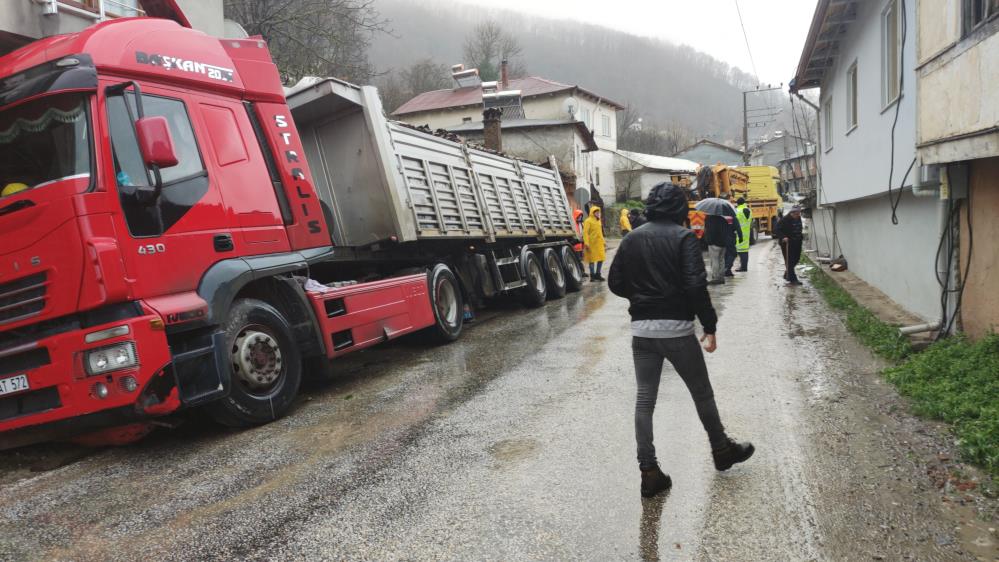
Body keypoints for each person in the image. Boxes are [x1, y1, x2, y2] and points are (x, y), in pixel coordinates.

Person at [608, 182, 754, 498]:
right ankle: (721, 450)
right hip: (677, 331)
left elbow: (615, 282)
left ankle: (649, 470)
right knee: (702, 393)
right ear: (678, 208)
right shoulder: (684, 237)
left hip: (642, 332)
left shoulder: (632, 238)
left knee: (645, 400)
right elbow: (695, 286)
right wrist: (710, 325)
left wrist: (642, 297)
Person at [774, 205, 804, 285]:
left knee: (796, 259)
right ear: (792, 213)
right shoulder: (785, 219)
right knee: (789, 261)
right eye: (797, 213)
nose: (798, 215)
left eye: (799, 213)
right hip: (787, 243)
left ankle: (787, 273)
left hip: (797, 242)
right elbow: (776, 229)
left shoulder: (798, 218)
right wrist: (783, 237)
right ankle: (793, 279)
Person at [583, 206, 606, 282]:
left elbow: (600, 232)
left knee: (601, 258)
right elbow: (585, 233)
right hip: (591, 243)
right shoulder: (588, 221)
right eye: (596, 212)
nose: (598, 213)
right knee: (591, 260)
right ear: (592, 213)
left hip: (599, 243)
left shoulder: (598, 221)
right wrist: (586, 243)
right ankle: (592, 276)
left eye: (598, 212)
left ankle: (598, 274)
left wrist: (603, 241)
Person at [735, 198, 752, 272]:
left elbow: (735, 222)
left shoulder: (738, 211)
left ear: (738, 203)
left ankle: (743, 267)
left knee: (741, 251)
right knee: (745, 251)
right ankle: (744, 266)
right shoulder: (749, 210)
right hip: (746, 233)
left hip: (739, 233)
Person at [573, 208, 588, 278]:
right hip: (575, 246)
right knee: (577, 260)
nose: (580, 218)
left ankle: (582, 272)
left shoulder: (582, 224)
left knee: (580, 260)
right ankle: (581, 272)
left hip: (581, 245)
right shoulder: (573, 224)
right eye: (579, 216)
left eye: (581, 216)